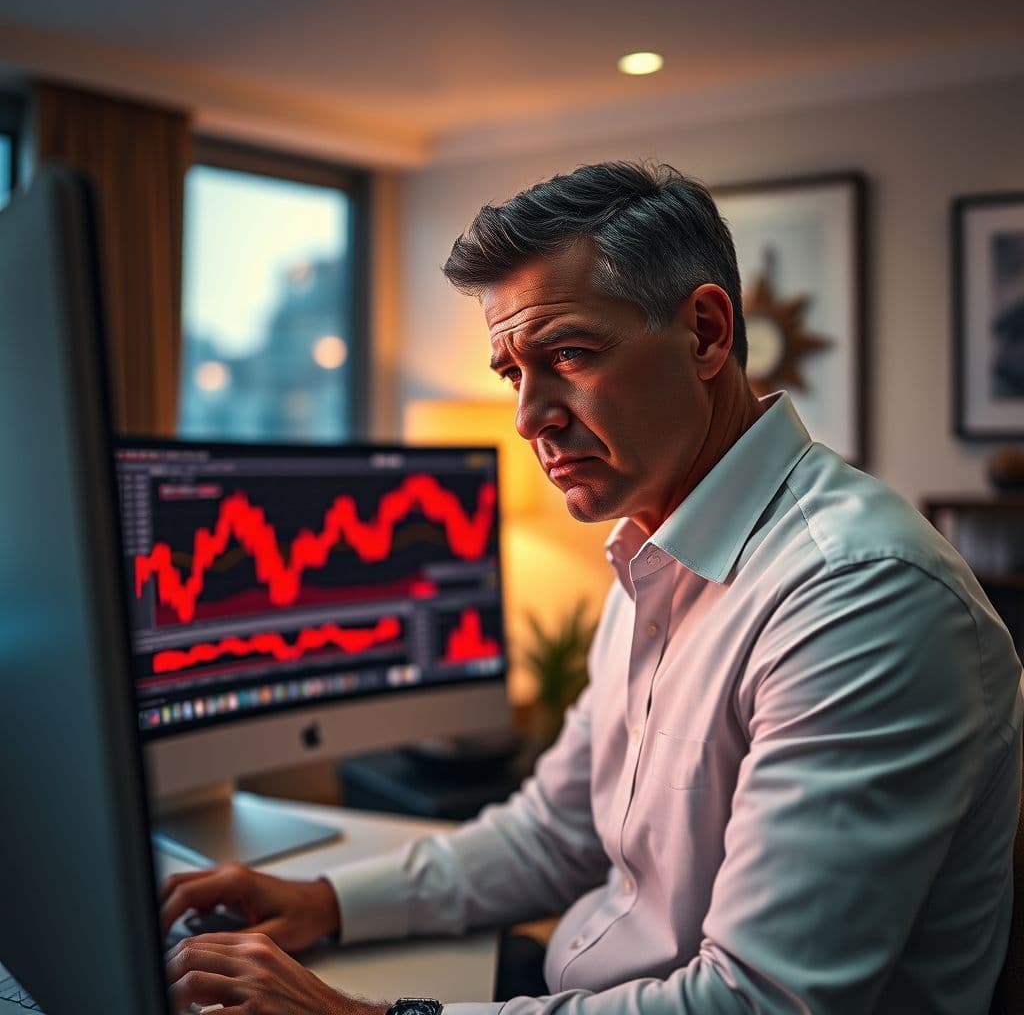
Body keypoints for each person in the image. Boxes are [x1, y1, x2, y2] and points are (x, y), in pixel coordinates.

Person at [162, 161, 1023, 1015]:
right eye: (513, 373)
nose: (529, 415)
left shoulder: (858, 598)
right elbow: (555, 830)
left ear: (708, 334)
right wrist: (325, 902)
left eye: (569, 353)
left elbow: (757, 1003)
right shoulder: (652, 541)